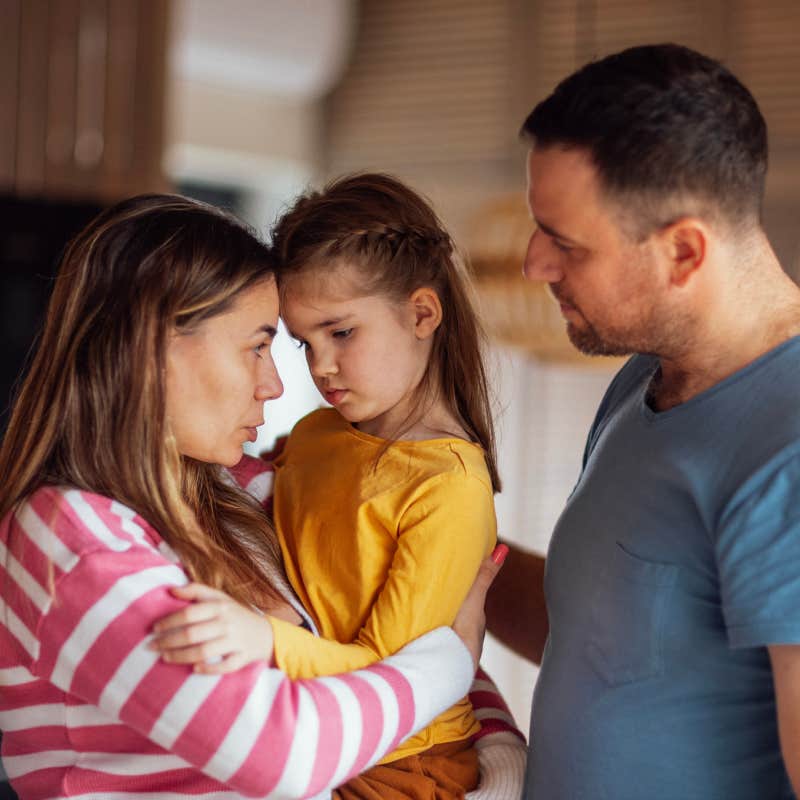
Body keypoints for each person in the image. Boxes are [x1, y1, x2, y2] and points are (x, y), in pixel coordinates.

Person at [0, 194, 512, 800]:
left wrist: (500, 755)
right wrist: (451, 662)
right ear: (152, 346)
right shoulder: (70, 539)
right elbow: (288, 751)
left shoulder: (245, 486)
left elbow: (404, 641)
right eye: (258, 346)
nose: (276, 386)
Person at [484, 43, 800, 799]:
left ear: (684, 251)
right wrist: (410, 528)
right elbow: (598, 639)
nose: (533, 265)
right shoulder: (642, 382)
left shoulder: (787, 440)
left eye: (565, 243)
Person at [152, 173, 512, 800]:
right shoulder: (317, 433)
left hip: (403, 764)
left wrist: (262, 640)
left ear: (422, 312)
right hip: (318, 730)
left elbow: (389, 673)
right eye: (301, 341)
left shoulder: (448, 488)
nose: (319, 367)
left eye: (341, 332)